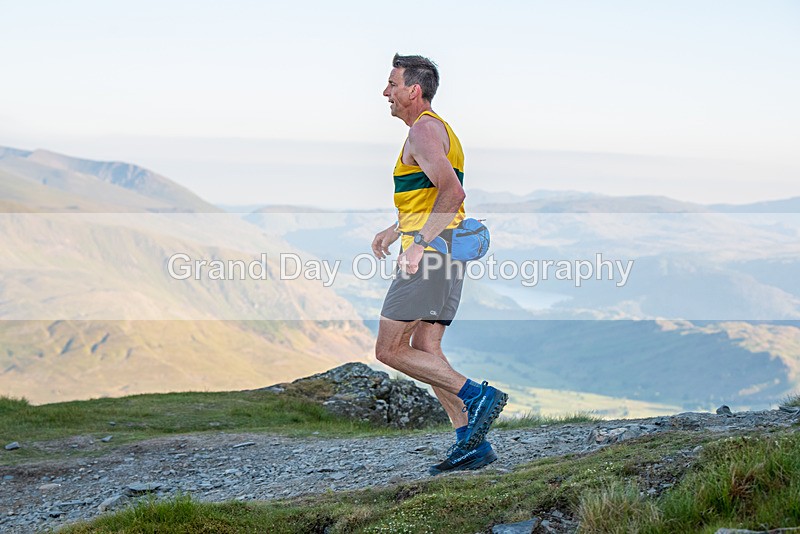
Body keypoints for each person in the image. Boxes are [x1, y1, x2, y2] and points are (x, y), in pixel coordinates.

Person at [371, 53, 508, 476]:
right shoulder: (435, 130)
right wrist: (397, 230)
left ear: (414, 90)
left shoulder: (424, 131)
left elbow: (452, 193)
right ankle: (470, 444)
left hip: (431, 255)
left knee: (389, 349)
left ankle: (476, 394)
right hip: (448, 251)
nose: (385, 92)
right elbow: (432, 195)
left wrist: (417, 246)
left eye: (392, 84)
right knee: (426, 349)